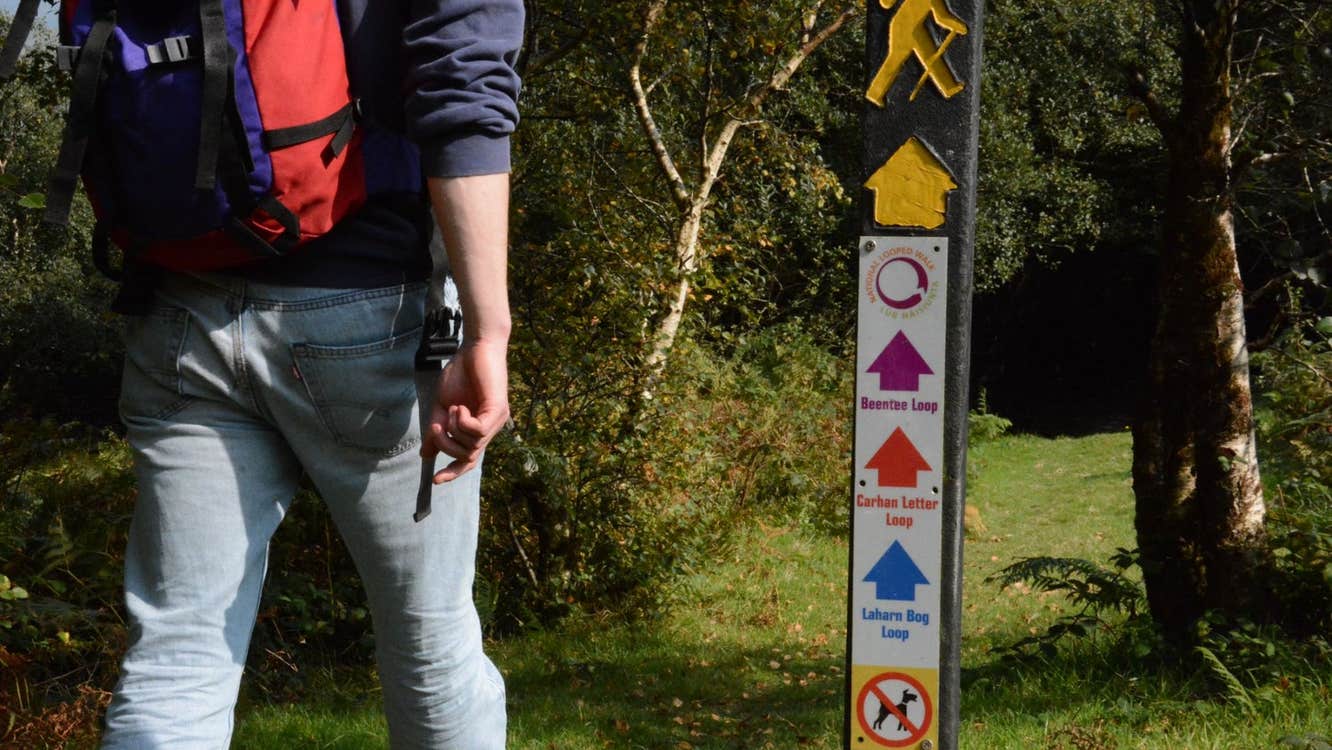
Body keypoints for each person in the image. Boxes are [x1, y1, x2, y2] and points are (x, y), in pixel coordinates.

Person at [98, 0, 524, 747]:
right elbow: (462, 85)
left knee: (176, 660)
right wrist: (489, 328)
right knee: (429, 642)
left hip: (179, 308)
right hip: (370, 312)